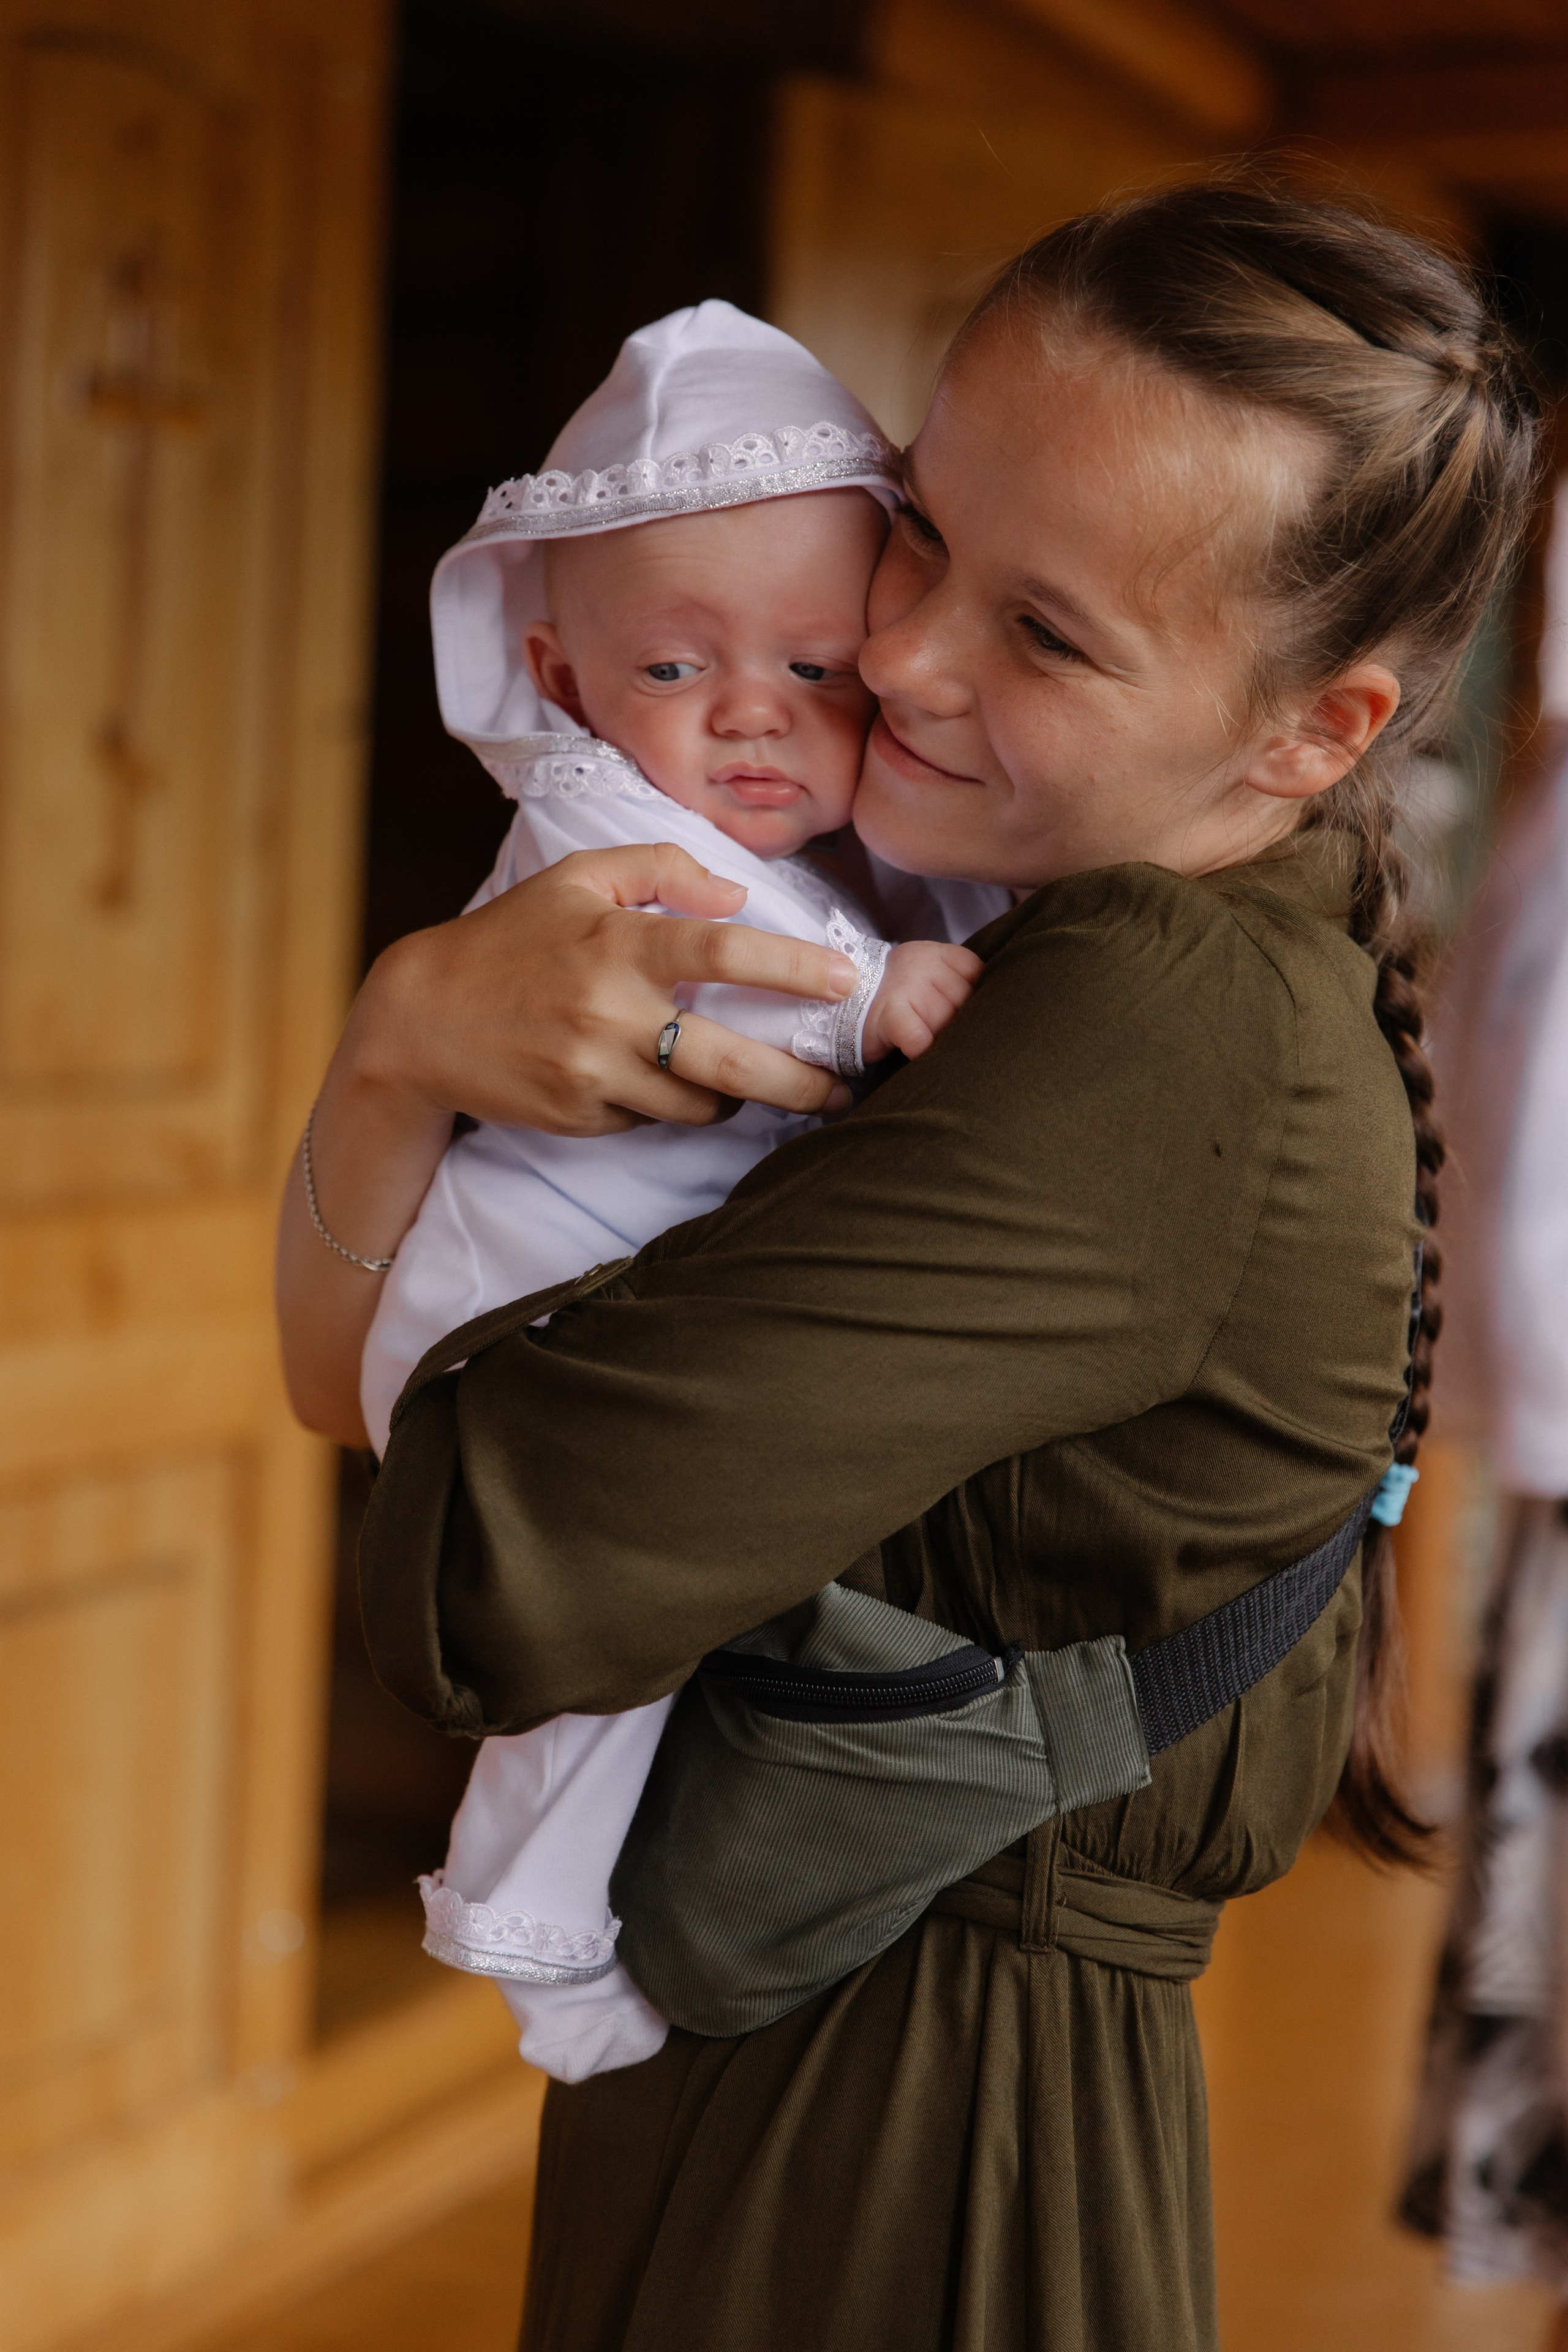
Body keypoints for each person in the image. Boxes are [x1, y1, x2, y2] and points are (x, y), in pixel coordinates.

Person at [277, 176, 1539, 2350]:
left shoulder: (1151, 1002)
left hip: (901, 2132)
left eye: (1048, 634)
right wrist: (406, 1047)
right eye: (921, 534)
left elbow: (481, 1560)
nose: (900, 653)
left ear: (1315, 732)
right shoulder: (1049, 934)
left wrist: (419, 1075)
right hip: (856, 2022)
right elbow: (350, 1400)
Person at [358, 301, 986, 2085]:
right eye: (671, 673)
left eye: (817, 668)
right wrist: (876, 998)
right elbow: (700, 960)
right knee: (614, 1641)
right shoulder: (585, 824)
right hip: (519, 1296)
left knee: (668, 1625)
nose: (749, 717)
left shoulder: (836, 849)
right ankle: (522, 1921)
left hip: (622, 1295)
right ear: (561, 684)